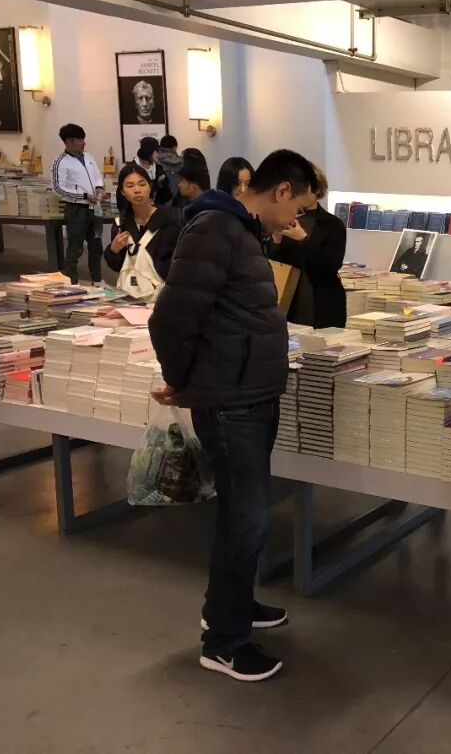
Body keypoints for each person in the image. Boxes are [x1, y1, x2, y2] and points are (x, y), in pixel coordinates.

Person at [149, 149, 320, 683]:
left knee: (241, 516)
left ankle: (231, 605)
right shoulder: (215, 230)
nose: (295, 222)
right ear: (282, 191)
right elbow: (170, 318)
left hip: (249, 395)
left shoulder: (241, 231)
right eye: (297, 210)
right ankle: (223, 642)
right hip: (230, 403)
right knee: (246, 520)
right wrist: (182, 379)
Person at [266, 164, 347, 328]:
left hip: (323, 304)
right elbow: (274, 263)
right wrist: (276, 240)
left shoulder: (333, 225)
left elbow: (331, 265)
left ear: (317, 188)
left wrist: (303, 239)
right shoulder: (286, 218)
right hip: (290, 301)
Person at [103, 163, 182, 301]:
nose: (137, 190)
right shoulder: (120, 224)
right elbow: (117, 266)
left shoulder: (169, 221)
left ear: (149, 187)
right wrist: (113, 250)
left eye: (142, 184)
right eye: (130, 186)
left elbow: (178, 263)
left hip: (161, 298)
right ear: (122, 192)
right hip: (128, 297)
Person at [52, 123, 106, 284]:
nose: (84, 143)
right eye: (80, 140)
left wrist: (100, 188)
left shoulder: (88, 157)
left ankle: (97, 280)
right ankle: (71, 282)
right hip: (76, 209)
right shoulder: (60, 162)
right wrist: (83, 196)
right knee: (75, 248)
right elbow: (58, 189)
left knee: (96, 245)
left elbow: (97, 175)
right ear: (69, 141)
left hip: (94, 208)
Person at [134, 136, 173, 205]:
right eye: (157, 151)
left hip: (156, 209)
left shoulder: (159, 169)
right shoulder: (132, 168)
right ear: (149, 152)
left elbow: (167, 197)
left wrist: (160, 185)